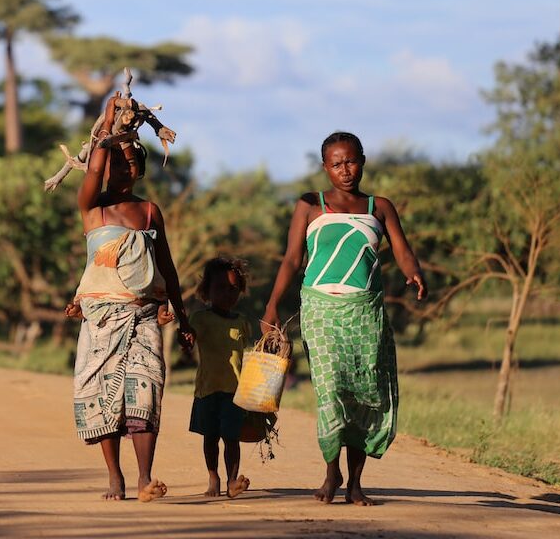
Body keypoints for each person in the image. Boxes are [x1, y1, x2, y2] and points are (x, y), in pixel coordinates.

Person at [261, 131, 426, 506]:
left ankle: (354, 483)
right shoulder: (310, 205)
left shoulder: (379, 207)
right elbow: (291, 259)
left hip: (366, 312)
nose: (345, 170)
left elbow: (402, 250)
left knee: (364, 395)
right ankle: (331, 470)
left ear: (363, 160)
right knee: (331, 389)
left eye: (351, 161)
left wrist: (413, 272)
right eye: (336, 164)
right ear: (325, 168)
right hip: (320, 309)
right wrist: (272, 305)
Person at [66, 92, 195, 502]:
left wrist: (183, 315)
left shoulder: (149, 212)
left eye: (132, 162)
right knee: (104, 395)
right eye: (117, 162)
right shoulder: (93, 208)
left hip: (144, 316)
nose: (125, 168)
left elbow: (168, 267)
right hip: (102, 319)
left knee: (146, 390)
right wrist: (110, 123)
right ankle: (115, 478)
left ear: (140, 168)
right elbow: (94, 168)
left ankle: (144, 477)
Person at [188, 256, 252, 498]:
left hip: (235, 391)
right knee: (211, 437)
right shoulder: (200, 319)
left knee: (232, 437)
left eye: (233, 289)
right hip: (207, 389)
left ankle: (232, 480)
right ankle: (213, 476)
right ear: (207, 291)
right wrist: (187, 340)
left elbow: (249, 354)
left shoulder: (243, 323)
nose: (227, 294)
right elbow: (190, 339)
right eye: (219, 288)